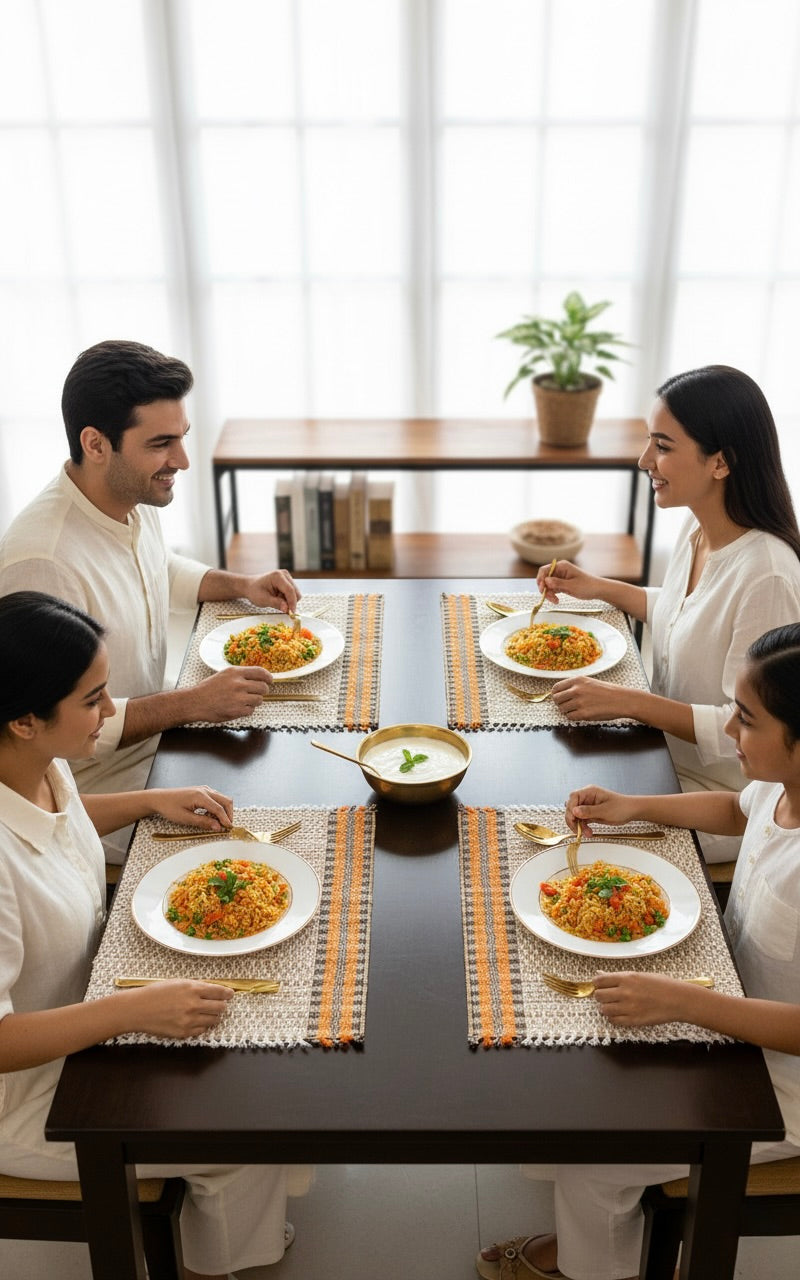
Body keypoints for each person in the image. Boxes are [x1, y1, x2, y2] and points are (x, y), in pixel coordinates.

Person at [477, 621, 800, 1280]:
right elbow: (742, 812)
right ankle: (586, 1230)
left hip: (781, 1082)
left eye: (747, 721)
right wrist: (633, 805)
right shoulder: (783, 786)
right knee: (565, 1076)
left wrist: (684, 1001)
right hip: (725, 993)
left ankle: (581, 1261)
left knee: (598, 1149)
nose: (729, 734)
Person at [0, 591, 293, 1278]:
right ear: (23, 719)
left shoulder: (36, 766)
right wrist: (132, 1010)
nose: (111, 714)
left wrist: (148, 800)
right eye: (94, 700)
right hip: (30, 1097)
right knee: (252, 1122)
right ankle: (220, 1264)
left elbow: (58, 821)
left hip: (94, 1001)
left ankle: (223, 1230)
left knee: (264, 1052)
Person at [0, 339, 301, 862]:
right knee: (286, 827)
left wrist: (241, 585)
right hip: (107, 793)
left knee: (286, 759)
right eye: (162, 443)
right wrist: (193, 703)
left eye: (182, 438)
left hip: (164, 742)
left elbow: (157, 566)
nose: (181, 460)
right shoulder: (42, 562)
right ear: (96, 444)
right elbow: (52, 723)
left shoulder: (127, 496)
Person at [534, 364, 800, 863]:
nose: (644, 460)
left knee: (558, 824)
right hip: (658, 753)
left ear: (720, 462)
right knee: (548, 763)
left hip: (713, 795)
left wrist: (630, 702)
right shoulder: (701, 530)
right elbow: (683, 612)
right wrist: (596, 587)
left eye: (663, 446)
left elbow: (738, 724)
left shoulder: (769, 575)